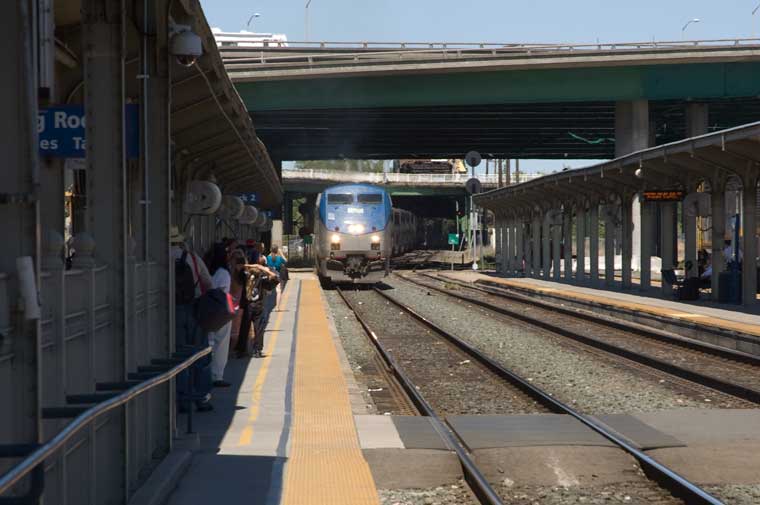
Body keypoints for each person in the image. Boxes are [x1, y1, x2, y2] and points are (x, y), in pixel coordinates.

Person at [170, 226, 214, 412]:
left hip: (171, 313)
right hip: (195, 310)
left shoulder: (158, 257)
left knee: (179, 357)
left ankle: (183, 400)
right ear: (180, 241)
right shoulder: (193, 258)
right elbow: (208, 283)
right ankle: (201, 398)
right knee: (201, 355)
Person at [207, 243, 233, 388]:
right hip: (221, 310)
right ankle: (217, 375)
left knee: (211, 341)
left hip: (210, 309)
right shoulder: (224, 273)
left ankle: (210, 372)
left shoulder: (211, 270)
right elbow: (222, 291)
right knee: (222, 343)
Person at [266, 244, 288, 309]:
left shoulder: (268, 257)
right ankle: (277, 307)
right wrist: (281, 253)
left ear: (270, 250)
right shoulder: (279, 258)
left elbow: (268, 258)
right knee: (278, 291)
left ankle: (266, 306)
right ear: (277, 250)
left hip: (270, 275)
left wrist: (272, 251)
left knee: (268, 291)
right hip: (277, 275)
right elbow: (286, 261)